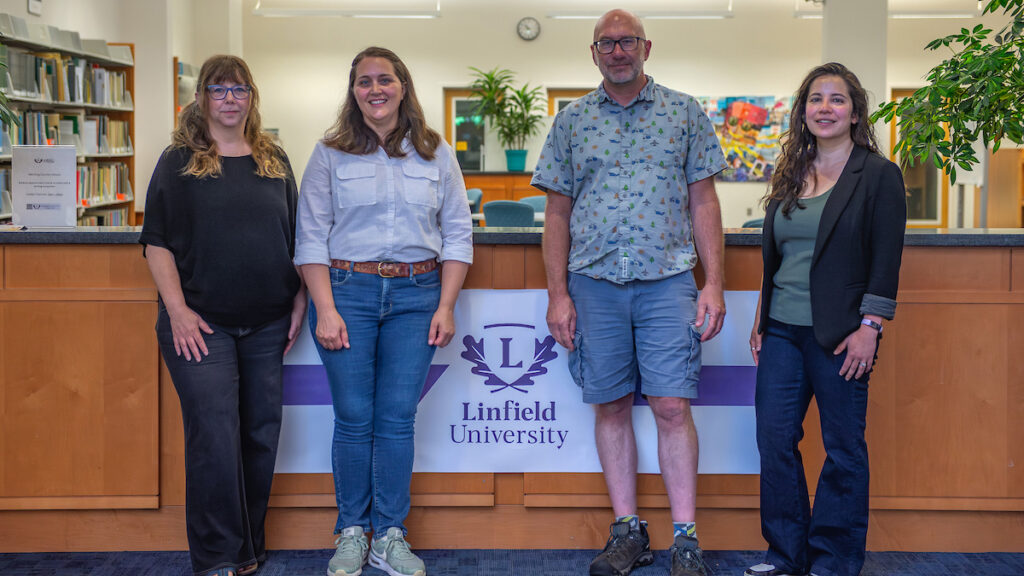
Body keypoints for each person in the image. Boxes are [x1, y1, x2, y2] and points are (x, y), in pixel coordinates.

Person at [531, 9, 728, 576]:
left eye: (627, 41)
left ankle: (685, 538)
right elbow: (557, 212)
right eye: (607, 43)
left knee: (671, 405)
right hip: (593, 284)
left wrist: (712, 283)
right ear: (593, 53)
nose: (618, 50)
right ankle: (628, 531)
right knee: (612, 405)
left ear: (646, 47)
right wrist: (557, 294)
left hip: (668, 281)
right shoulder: (571, 121)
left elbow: (704, 202)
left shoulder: (684, 112)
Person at [294, 46, 473, 576]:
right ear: (354, 92)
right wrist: (324, 309)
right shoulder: (330, 153)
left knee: (396, 419)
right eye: (365, 81)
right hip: (347, 292)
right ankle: (351, 532)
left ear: (402, 86)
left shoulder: (435, 151)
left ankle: (390, 536)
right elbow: (310, 238)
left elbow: (459, 234)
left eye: (385, 80)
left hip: (418, 297)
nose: (376, 89)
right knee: (353, 420)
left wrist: (446, 305)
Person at [139, 55, 306, 576]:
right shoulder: (179, 160)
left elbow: (298, 237)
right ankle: (216, 556)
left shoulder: (273, 160)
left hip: (269, 322)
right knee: (214, 435)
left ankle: (248, 549)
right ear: (202, 98)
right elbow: (156, 242)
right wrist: (179, 312)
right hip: (200, 324)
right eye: (219, 89)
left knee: (259, 433)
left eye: (239, 89)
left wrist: (300, 299)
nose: (230, 98)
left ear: (252, 97)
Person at [747, 62, 906, 576]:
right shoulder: (790, 171)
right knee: (774, 442)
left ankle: (833, 561)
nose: (825, 108)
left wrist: (870, 328)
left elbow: (886, 259)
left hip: (842, 335)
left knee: (842, 448)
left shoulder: (878, 175)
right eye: (816, 99)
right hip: (781, 333)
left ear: (856, 113)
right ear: (803, 111)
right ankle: (785, 555)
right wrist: (760, 319)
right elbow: (777, 256)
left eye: (837, 100)